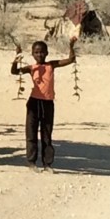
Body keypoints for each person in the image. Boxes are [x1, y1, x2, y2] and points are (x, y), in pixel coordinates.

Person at [10, 37, 77, 172]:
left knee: (47, 134)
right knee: (31, 133)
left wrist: (71, 46)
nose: (39, 55)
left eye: (42, 52)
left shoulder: (51, 65)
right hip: (33, 103)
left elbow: (70, 60)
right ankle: (31, 162)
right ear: (32, 54)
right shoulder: (31, 68)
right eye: (36, 52)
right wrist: (15, 59)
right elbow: (15, 72)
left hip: (48, 104)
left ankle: (47, 164)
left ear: (47, 53)